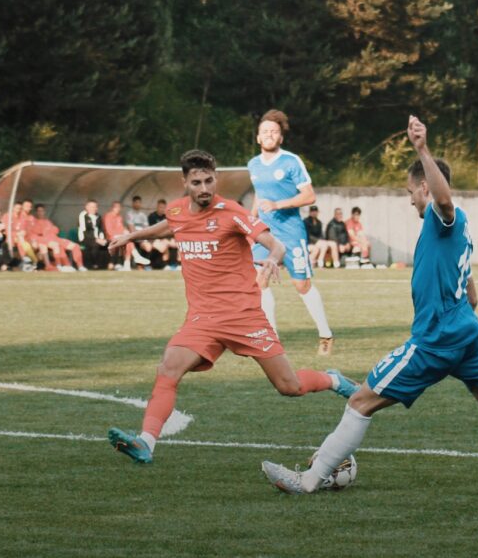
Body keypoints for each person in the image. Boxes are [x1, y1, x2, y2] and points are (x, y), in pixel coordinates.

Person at [261, 116, 478, 494]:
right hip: (464, 331)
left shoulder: (442, 215)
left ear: (424, 187)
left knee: (361, 401)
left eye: (410, 191)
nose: (410, 199)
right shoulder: (463, 227)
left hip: (436, 337)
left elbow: (443, 199)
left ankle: (308, 479)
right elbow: (473, 295)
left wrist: (421, 148)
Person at [106, 149, 358, 465]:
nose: (204, 188)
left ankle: (333, 379)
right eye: (196, 182)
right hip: (202, 319)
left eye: (209, 180)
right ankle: (145, 443)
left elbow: (274, 242)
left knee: (289, 386)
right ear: (184, 182)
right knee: (168, 369)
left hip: (243, 316)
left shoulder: (231, 212)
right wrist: (132, 236)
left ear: (216, 178)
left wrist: (271, 258)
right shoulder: (177, 212)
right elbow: (169, 227)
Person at [248, 109, 335, 355]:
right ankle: (272, 339)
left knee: (301, 285)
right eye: (264, 131)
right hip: (264, 233)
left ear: (281, 138)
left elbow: (309, 195)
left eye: (273, 132)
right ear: (258, 137)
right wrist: (251, 222)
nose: (269, 135)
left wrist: (278, 205)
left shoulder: (291, 161)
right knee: (259, 281)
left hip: (290, 231)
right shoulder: (253, 164)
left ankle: (326, 334)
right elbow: (258, 194)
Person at [29, 204, 83, 271]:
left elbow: (56, 230)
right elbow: (36, 236)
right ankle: (62, 265)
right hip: (48, 241)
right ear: (36, 212)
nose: (40, 213)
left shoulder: (48, 222)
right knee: (57, 246)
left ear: (44, 212)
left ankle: (80, 266)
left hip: (56, 239)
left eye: (42, 211)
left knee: (76, 246)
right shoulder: (35, 223)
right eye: (39, 211)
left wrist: (54, 230)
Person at [103, 200, 136, 271]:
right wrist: (120, 234)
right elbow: (109, 231)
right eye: (116, 207)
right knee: (127, 241)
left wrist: (125, 231)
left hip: (119, 237)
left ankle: (127, 264)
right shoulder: (108, 216)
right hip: (111, 238)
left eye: (119, 207)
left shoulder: (119, 217)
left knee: (128, 241)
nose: (118, 209)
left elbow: (121, 228)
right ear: (112, 208)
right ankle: (134, 256)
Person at [77, 200, 109, 270]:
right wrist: (96, 239)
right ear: (86, 207)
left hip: (97, 238)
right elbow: (84, 230)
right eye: (91, 207)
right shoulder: (83, 216)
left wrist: (102, 239)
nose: (94, 208)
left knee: (109, 244)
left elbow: (101, 229)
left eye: (95, 207)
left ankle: (109, 264)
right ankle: (94, 265)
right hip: (85, 238)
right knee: (95, 245)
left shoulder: (98, 216)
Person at [148, 199, 180, 270]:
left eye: (163, 207)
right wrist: (163, 239)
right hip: (155, 238)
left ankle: (178, 264)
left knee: (178, 244)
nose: (162, 209)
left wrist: (172, 239)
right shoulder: (152, 216)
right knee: (164, 245)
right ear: (157, 207)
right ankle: (165, 265)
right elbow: (152, 231)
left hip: (166, 238)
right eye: (160, 207)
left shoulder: (167, 217)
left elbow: (171, 229)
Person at [127, 196, 155, 269]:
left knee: (150, 243)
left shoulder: (143, 215)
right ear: (133, 204)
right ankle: (141, 265)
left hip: (143, 236)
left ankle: (146, 264)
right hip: (134, 236)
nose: (138, 204)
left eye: (139, 203)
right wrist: (140, 236)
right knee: (147, 246)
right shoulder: (130, 214)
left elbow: (146, 228)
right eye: (136, 202)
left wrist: (147, 237)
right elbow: (131, 228)